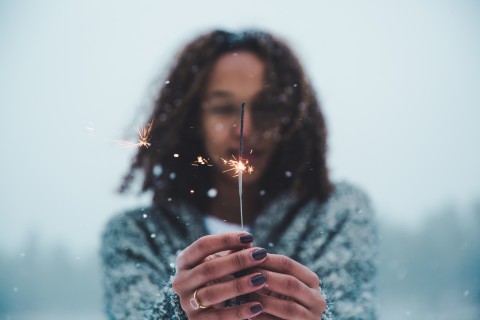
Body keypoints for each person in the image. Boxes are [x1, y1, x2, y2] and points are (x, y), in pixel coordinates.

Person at [101, 29, 377, 320]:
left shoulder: (337, 213)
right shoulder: (137, 235)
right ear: (193, 120)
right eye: (223, 108)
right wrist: (173, 313)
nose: (245, 131)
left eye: (266, 107)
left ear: (291, 117)